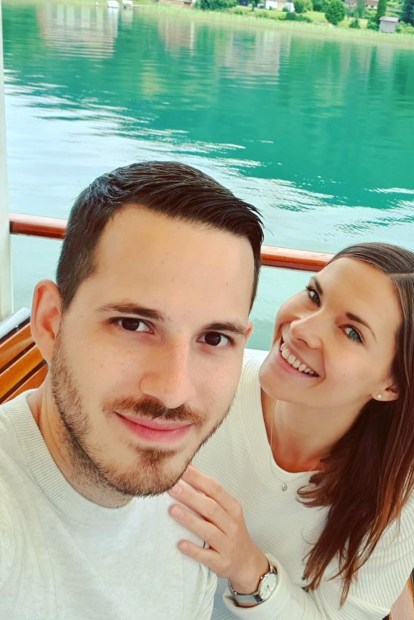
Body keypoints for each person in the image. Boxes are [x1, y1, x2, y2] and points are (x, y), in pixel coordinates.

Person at [0, 161, 263, 619]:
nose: (173, 392)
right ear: (50, 323)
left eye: (214, 338)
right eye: (133, 324)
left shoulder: (191, 516)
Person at [170, 242, 414, 618]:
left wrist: (249, 569)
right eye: (314, 295)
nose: (301, 329)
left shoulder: (410, 480)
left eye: (351, 332)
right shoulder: (203, 384)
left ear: (391, 384)